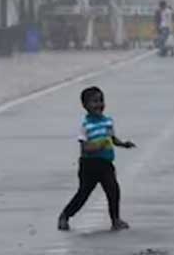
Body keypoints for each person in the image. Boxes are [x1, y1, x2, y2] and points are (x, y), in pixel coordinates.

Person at [58, 86, 136, 231]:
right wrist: (99, 146)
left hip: (106, 164)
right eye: (94, 101)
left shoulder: (108, 121)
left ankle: (115, 220)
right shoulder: (86, 126)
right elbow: (85, 149)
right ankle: (65, 216)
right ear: (85, 105)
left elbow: (112, 139)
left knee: (113, 190)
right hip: (89, 166)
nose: (99, 104)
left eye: (101, 101)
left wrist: (124, 144)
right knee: (83, 194)